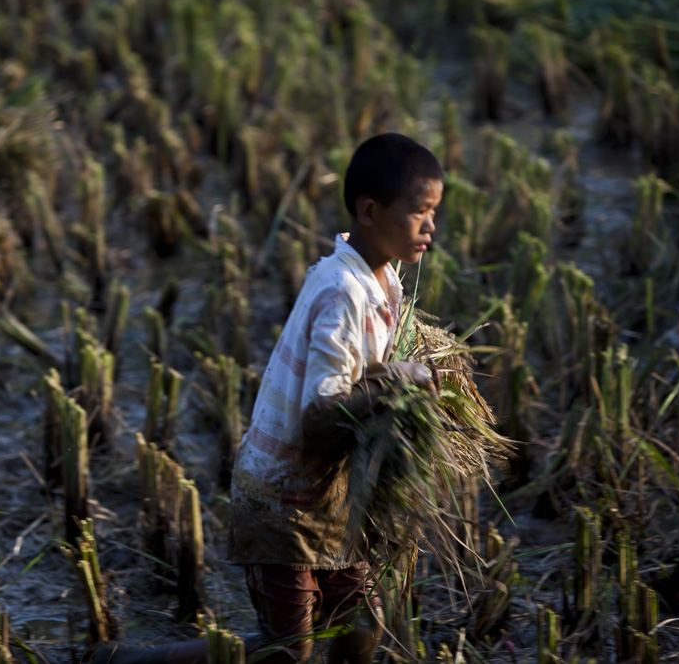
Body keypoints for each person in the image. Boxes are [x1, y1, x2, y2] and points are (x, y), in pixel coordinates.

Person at [95, 132, 443, 664]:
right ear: (370, 212)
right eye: (420, 211)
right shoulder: (341, 294)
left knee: (361, 629)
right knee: (289, 651)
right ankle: (128, 662)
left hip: (330, 492)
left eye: (434, 212)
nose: (431, 226)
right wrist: (397, 381)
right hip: (279, 499)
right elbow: (319, 417)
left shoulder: (385, 281)